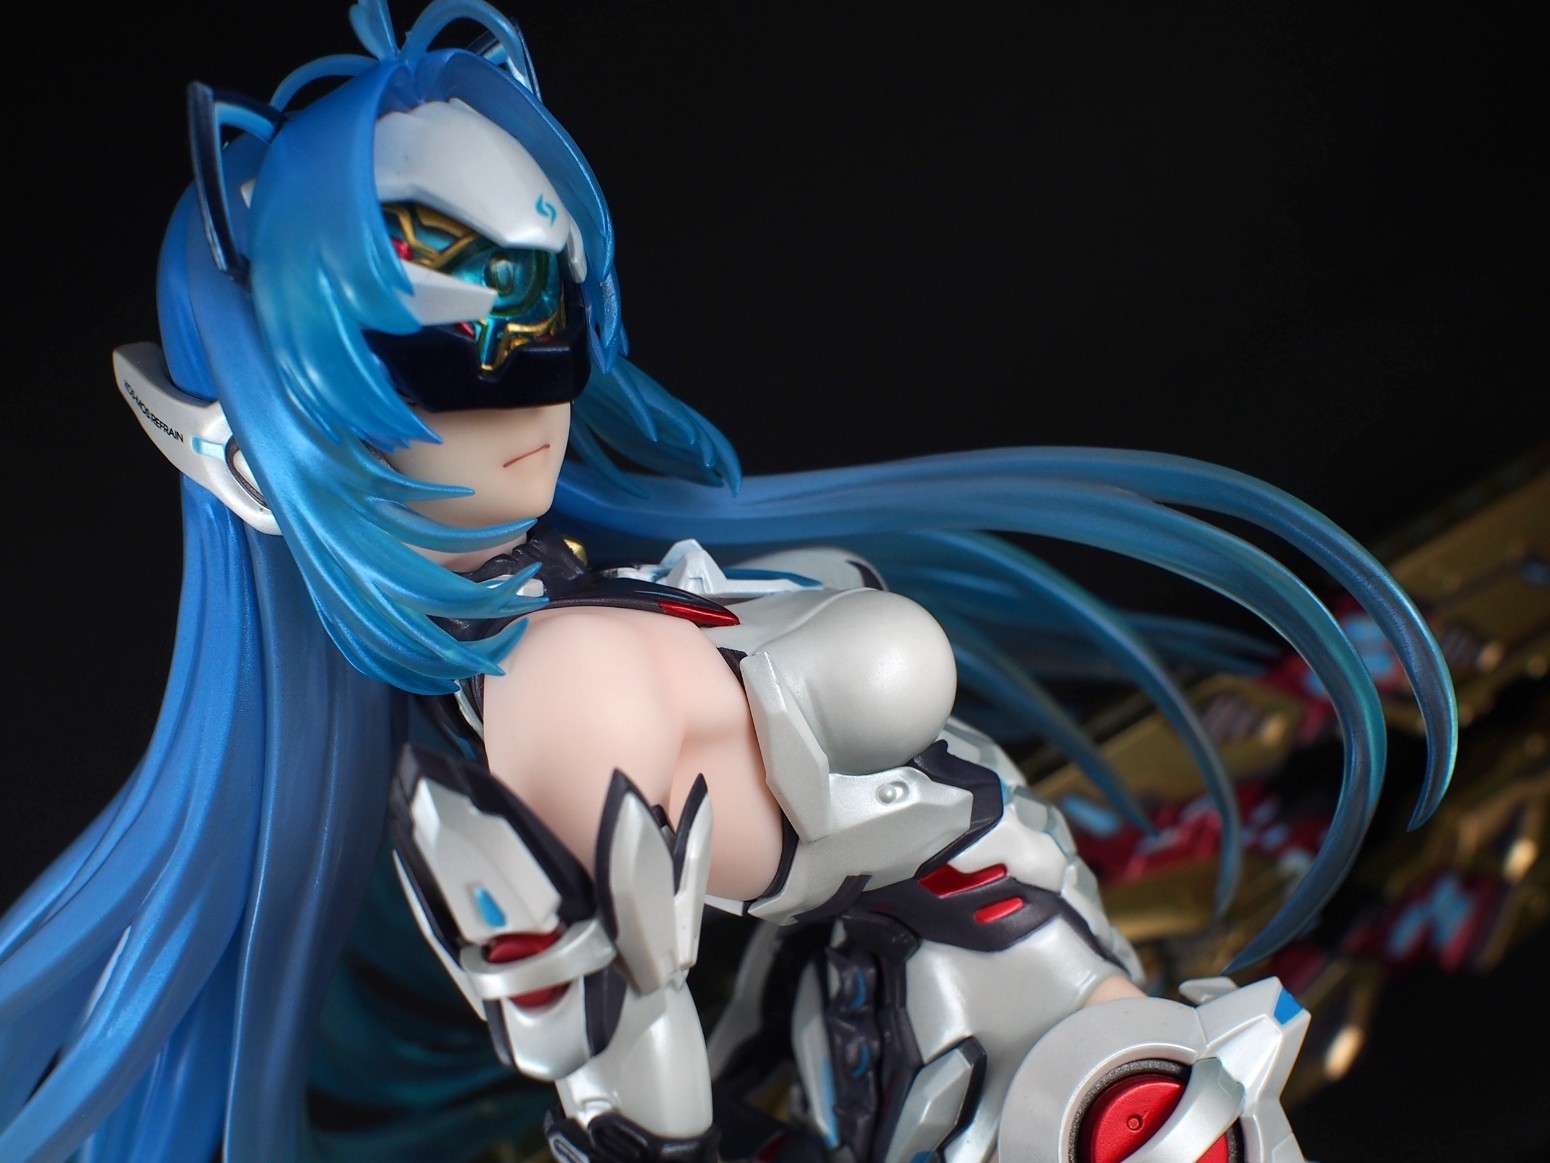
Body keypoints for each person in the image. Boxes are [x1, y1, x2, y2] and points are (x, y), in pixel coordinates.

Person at [0, 3, 1458, 1161]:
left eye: (549, 322)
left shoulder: (584, 604)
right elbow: (633, 1114)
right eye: (447, 369)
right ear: (268, 450)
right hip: (991, 1062)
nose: (531, 399)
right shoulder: (529, 714)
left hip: (997, 999)